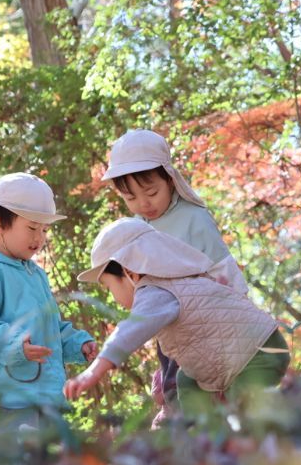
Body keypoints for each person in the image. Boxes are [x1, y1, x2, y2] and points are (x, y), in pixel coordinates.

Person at [63, 218, 290, 423]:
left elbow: (129, 331)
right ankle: (196, 431)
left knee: (243, 419)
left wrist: (94, 371)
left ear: (130, 271)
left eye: (109, 286)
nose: (113, 296)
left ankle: (243, 439)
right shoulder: (182, 279)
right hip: (258, 348)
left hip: (255, 358)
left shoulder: (155, 291)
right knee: (187, 380)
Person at [101, 129, 248, 420]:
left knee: (202, 393)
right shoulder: (137, 228)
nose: (144, 204)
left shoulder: (194, 218)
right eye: (131, 197)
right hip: (171, 329)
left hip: (206, 325)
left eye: (151, 192)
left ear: (169, 178)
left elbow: (224, 271)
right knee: (173, 390)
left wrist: (241, 320)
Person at [0, 173, 96, 451]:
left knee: (48, 463)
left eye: (44, 230)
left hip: (44, 395)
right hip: (8, 399)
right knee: (19, 464)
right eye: (32, 227)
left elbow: (50, 327)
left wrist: (77, 344)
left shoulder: (35, 274)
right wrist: (15, 345)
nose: (39, 238)